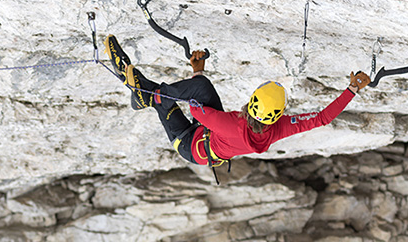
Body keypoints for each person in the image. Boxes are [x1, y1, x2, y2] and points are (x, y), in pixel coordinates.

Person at [105, 35, 371, 172]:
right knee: (198, 87)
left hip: (189, 144)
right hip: (209, 135)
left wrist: (195, 80)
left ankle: (144, 95)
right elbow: (321, 118)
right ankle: (141, 91)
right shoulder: (278, 128)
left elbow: (196, 107)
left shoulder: (230, 123)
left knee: (165, 100)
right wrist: (352, 90)